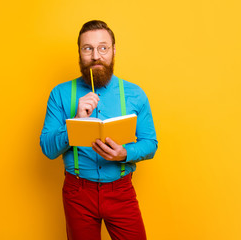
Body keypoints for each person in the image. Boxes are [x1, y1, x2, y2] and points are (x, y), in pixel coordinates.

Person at [40, 20, 158, 240]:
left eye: (103, 48)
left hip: (121, 192)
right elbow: (47, 148)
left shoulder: (135, 93)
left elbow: (150, 144)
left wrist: (125, 153)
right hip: (77, 193)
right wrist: (75, 122)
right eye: (88, 48)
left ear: (113, 51)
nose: (96, 56)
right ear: (80, 53)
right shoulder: (60, 93)